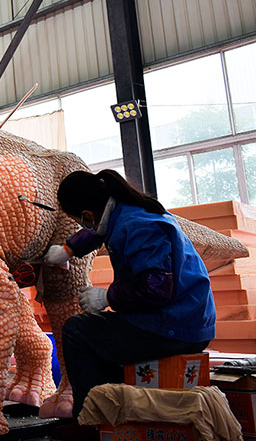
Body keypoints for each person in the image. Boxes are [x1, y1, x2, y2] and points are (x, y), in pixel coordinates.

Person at [44, 169, 216, 422]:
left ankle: (93, 420)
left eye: (80, 220)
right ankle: (119, 411)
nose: (83, 225)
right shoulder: (125, 210)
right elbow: (97, 231)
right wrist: (69, 249)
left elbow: (156, 289)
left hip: (175, 326)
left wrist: (108, 298)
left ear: (87, 214)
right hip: (182, 318)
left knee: (77, 330)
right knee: (100, 336)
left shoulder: (139, 226)